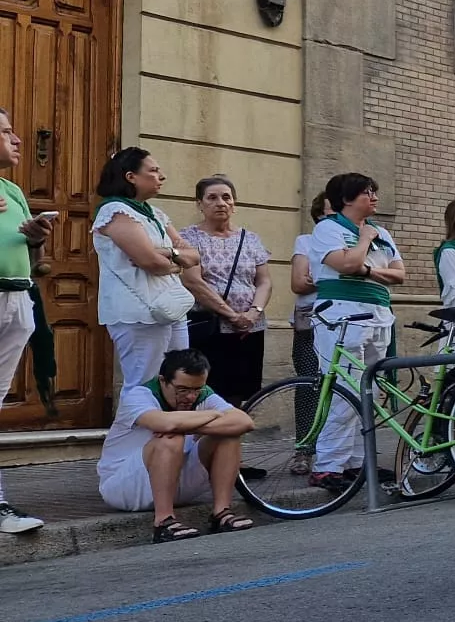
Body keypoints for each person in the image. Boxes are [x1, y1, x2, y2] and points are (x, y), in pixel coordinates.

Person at [306, 172, 407, 491]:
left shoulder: (384, 232)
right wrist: (364, 242)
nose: (374, 197)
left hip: (378, 315)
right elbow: (345, 265)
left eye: (374, 190)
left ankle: (357, 462)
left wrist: (366, 269)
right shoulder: (328, 228)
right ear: (346, 199)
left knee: (372, 392)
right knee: (344, 390)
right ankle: (328, 464)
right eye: (367, 192)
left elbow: (399, 274)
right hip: (341, 315)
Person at [96, 349, 255, 543]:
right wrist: (214, 415)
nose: (190, 397)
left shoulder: (202, 394)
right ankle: (163, 522)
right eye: (182, 390)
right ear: (163, 381)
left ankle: (221, 513)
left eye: (196, 390)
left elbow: (244, 422)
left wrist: (187, 424)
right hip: (125, 487)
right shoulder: (139, 395)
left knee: (228, 435)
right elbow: (163, 425)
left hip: (177, 480)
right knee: (171, 438)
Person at [94, 148, 198, 389]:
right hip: (138, 313)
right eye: (153, 170)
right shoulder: (114, 210)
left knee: (178, 382)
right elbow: (151, 263)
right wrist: (173, 261)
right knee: (144, 382)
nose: (161, 176)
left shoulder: (156, 214)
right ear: (131, 176)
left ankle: (168, 428)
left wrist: (169, 254)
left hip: (171, 307)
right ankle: (130, 427)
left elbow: (194, 256)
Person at [0, 108, 51, 535]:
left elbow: (36, 261)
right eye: (5, 132)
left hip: (17, 296)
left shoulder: (13, 189)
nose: (17, 139)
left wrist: (35, 239)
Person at [180, 176, 273, 406]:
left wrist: (253, 313)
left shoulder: (250, 239)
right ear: (199, 204)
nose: (220, 203)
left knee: (245, 392)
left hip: (249, 329)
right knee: (209, 391)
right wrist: (231, 315)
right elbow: (193, 282)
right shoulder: (188, 238)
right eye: (212, 197)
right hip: (211, 328)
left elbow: (264, 281)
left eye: (226, 197)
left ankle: (233, 439)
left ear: (234, 204)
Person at [285, 194, 332, 476]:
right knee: (308, 385)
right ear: (317, 217)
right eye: (327, 215)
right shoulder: (307, 241)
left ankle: (336, 450)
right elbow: (298, 283)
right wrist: (341, 272)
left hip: (344, 322)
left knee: (342, 388)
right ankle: (304, 449)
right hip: (311, 322)